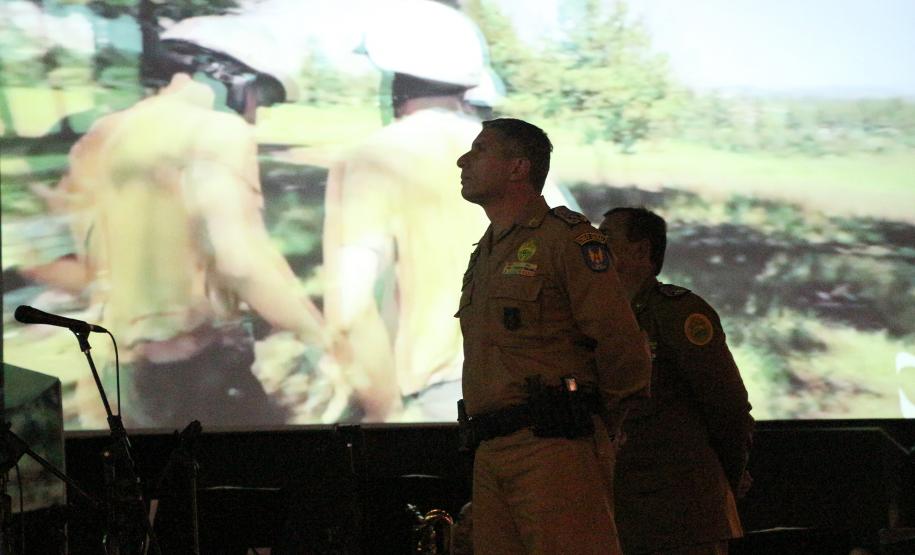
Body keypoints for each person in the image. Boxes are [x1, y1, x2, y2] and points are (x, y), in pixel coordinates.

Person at [49, 37, 328, 429]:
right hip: (187, 373)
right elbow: (242, 261)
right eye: (259, 100)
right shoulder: (218, 130)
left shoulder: (107, 132)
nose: (255, 117)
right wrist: (319, 336)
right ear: (233, 80)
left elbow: (81, 250)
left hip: (108, 371)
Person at [455, 118, 652, 554]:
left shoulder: (565, 240)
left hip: (554, 446)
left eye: (480, 150)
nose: (463, 160)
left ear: (518, 168)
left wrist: (603, 424)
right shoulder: (486, 251)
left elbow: (621, 344)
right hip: (490, 449)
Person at [599, 207, 754, 555]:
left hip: (683, 513)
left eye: (606, 235)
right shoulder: (597, 317)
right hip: (620, 510)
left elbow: (728, 407)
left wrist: (724, 478)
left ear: (640, 251)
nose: (595, 243)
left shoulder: (677, 312)